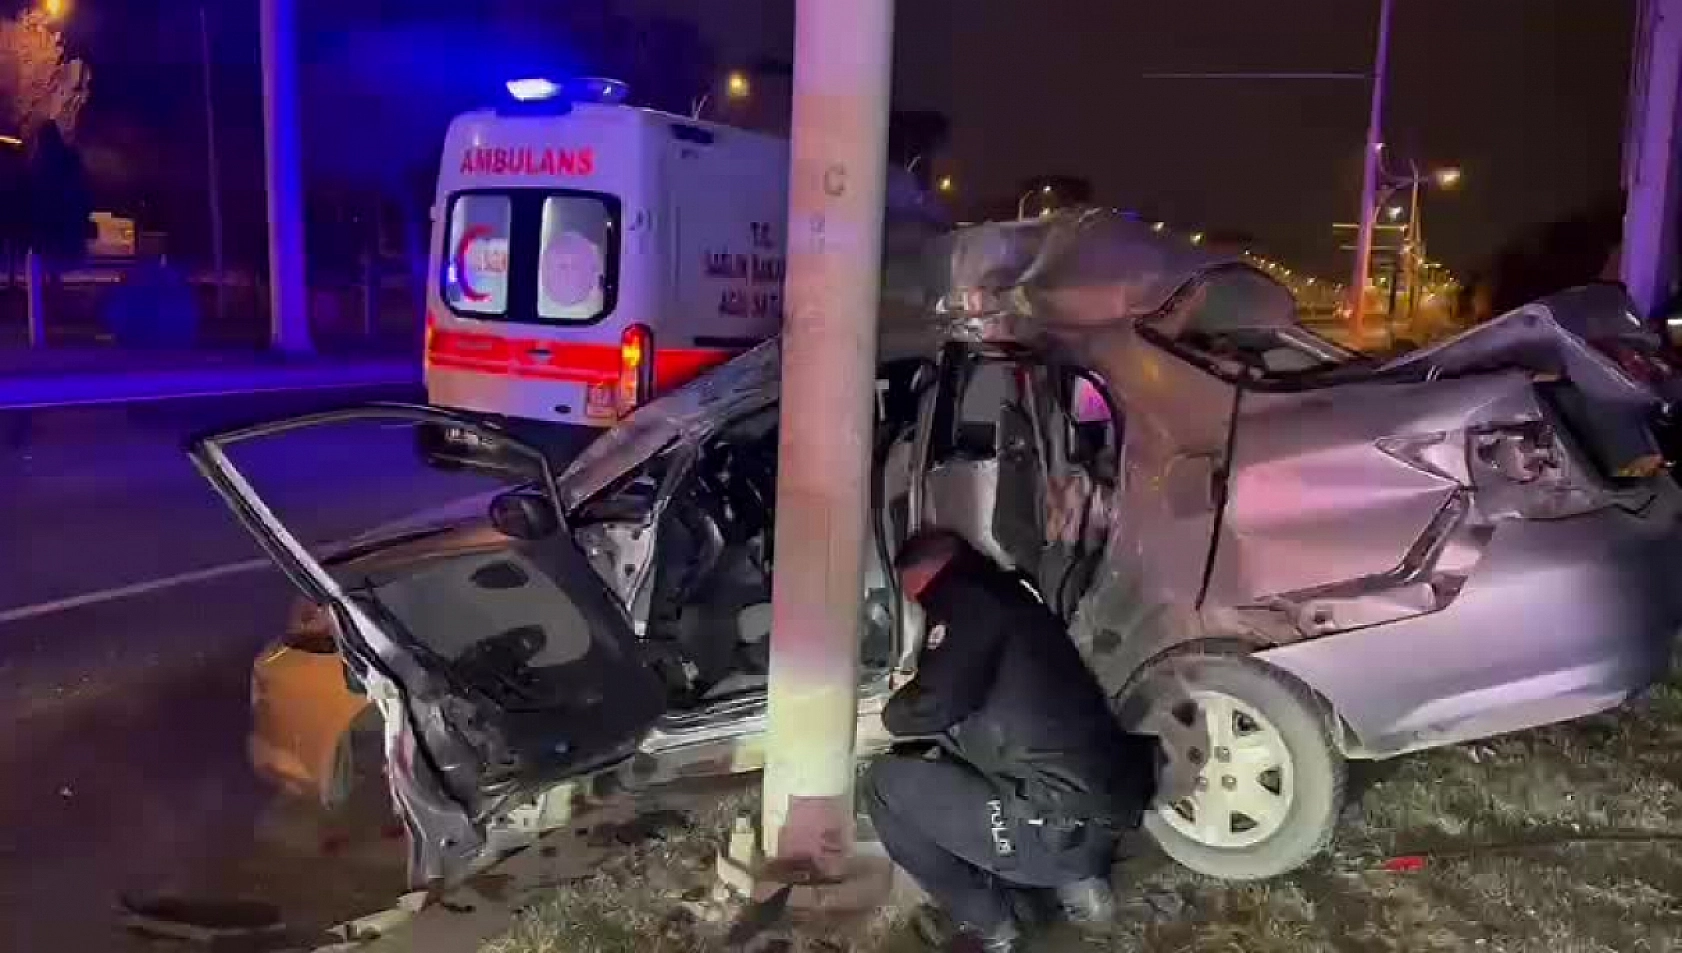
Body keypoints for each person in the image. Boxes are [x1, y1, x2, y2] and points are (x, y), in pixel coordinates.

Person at [863, 529, 1157, 953]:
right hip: (1110, 806)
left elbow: (935, 705)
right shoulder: (1017, 596)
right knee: (985, 749)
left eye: (911, 594)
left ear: (919, 580)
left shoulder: (964, 604)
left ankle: (992, 925)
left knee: (881, 785)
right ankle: (1080, 884)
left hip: (1053, 826)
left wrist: (890, 716)